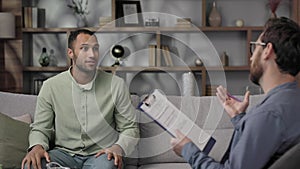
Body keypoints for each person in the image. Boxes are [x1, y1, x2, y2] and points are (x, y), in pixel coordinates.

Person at [171, 17, 300, 169]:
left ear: (267, 51)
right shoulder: (290, 102)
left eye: (254, 47)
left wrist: (188, 150)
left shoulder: (268, 114)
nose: (251, 57)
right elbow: (267, 145)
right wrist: (238, 118)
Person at [21, 29, 139, 169]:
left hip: (101, 155)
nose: (92, 54)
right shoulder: (50, 86)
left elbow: (130, 128)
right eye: (84, 49)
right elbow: (41, 128)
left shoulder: (117, 85)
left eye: (95, 49)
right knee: (33, 165)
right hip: (64, 154)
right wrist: (36, 147)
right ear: (70, 53)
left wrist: (118, 148)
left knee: (107, 166)